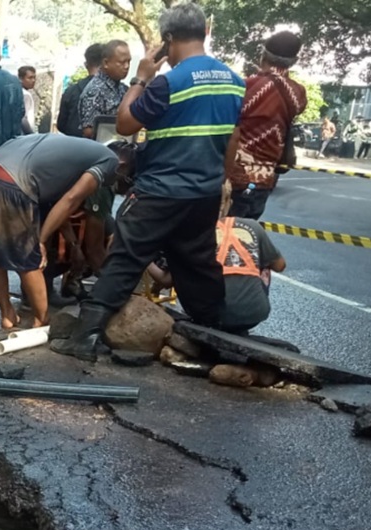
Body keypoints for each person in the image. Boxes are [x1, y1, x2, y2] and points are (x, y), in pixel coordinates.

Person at [53, 2, 244, 361]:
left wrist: (141, 77)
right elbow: (233, 138)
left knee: (124, 259)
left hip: (160, 191)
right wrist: (221, 180)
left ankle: (85, 337)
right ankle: (215, 336)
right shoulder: (234, 82)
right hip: (203, 193)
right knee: (197, 262)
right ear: (205, 34)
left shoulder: (168, 83)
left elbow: (125, 124)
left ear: (168, 40)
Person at [0, 134, 122, 330]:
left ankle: (7, 314)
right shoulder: (110, 162)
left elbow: (59, 206)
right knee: (28, 259)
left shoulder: (73, 154)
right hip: (14, 180)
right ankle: (42, 320)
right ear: (123, 167)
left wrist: (72, 243)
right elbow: (71, 200)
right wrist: (40, 241)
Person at [147, 217, 286, 333]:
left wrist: (143, 260)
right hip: (254, 315)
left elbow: (165, 280)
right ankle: (245, 308)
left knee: (186, 270)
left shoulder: (187, 230)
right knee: (266, 263)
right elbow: (280, 266)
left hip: (204, 315)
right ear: (229, 202)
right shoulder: (253, 226)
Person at [224, 30, 306, 219]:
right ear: (293, 61)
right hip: (265, 180)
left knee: (224, 239)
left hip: (233, 177)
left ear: (263, 56)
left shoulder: (246, 86)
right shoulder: (298, 93)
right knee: (246, 238)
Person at [79, 40, 131, 140]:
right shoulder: (94, 91)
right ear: (106, 63)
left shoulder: (122, 88)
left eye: (129, 61)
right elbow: (89, 131)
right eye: (122, 62)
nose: (127, 66)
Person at [56, 44, 105, 138]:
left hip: (74, 147)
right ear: (106, 63)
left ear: (86, 65)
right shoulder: (117, 92)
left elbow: (61, 125)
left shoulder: (71, 91)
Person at [18, 66, 39, 135]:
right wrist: (31, 134)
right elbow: (23, 118)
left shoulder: (17, 91)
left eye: (34, 77)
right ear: (21, 79)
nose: (33, 80)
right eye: (30, 78)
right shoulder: (25, 94)